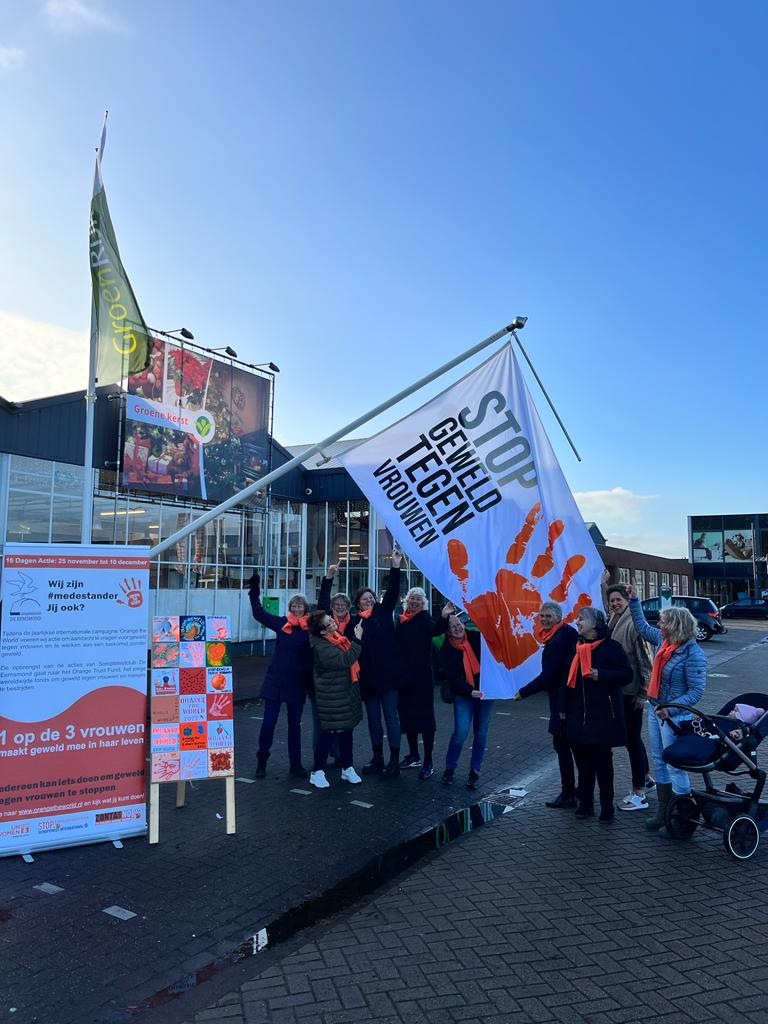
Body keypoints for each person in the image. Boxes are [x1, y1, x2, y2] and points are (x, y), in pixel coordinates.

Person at [627, 585, 707, 834]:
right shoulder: (663, 642)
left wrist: (670, 710)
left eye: (663, 622)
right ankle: (663, 811)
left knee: (675, 763)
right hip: (655, 710)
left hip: (675, 716)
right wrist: (634, 600)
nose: (659, 625)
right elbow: (642, 627)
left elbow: (696, 691)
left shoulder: (693, 654)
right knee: (660, 760)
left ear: (675, 626)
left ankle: (683, 816)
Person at [563, 607, 632, 823]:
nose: (577, 622)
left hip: (603, 715)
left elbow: (627, 675)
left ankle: (607, 807)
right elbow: (567, 681)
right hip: (579, 716)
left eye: (581, 619)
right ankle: (585, 804)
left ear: (593, 624)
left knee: (603, 765)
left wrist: (601, 674)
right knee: (583, 764)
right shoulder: (576, 647)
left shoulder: (611, 647)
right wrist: (564, 710)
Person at [514, 602, 579, 808]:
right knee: (574, 747)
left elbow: (548, 676)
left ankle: (568, 793)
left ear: (558, 617)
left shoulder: (557, 641)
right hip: (571, 697)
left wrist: (523, 692)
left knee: (562, 746)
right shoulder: (567, 632)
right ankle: (579, 791)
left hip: (562, 701)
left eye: (548, 616)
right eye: (541, 616)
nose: (544, 620)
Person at [248, 573, 312, 779]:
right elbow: (259, 614)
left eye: (300, 606)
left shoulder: (311, 629)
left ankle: (295, 764)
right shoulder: (282, 623)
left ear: (305, 608)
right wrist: (254, 592)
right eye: (294, 605)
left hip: (297, 683)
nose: (297, 609)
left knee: (294, 726)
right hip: (275, 681)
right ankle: (262, 761)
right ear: (290, 607)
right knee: (269, 723)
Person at [601, 572, 655, 811]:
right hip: (620, 691)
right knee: (632, 738)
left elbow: (646, 661)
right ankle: (646, 778)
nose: (614, 604)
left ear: (627, 601)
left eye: (618, 600)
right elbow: (605, 610)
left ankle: (638, 791)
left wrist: (643, 694)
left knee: (631, 740)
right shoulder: (614, 620)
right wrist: (604, 584)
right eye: (612, 600)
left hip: (632, 693)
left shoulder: (633, 624)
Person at [396, 589, 456, 780]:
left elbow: (436, 629)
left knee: (425, 719)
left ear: (423, 603)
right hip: (404, 678)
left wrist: (444, 615)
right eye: (412, 598)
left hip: (421, 678)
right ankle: (414, 755)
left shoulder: (424, 619)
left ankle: (428, 760)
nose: (414, 601)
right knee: (407, 717)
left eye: (418, 599)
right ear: (407, 601)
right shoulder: (401, 620)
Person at [354, 550, 404, 779]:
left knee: (391, 717)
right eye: (365, 599)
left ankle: (394, 760)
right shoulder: (355, 622)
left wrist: (395, 565)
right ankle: (377, 757)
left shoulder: (384, 611)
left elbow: (392, 591)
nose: (369, 600)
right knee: (374, 720)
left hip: (389, 676)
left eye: (371, 597)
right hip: (368, 678)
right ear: (358, 603)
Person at [307, 610, 364, 789]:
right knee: (329, 733)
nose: (333, 622)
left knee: (347, 731)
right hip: (331, 697)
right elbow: (345, 660)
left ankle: (347, 768)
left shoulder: (335, 637)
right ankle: (317, 771)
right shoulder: (322, 647)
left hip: (344, 694)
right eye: (329, 623)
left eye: (331, 620)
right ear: (323, 631)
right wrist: (358, 639)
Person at [439, 616, 494, 788]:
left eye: (459, 624)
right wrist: (470, 691)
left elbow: (494, 642)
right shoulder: (446, 649)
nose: (457, 628)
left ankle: (475, 771)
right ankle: (450, 769)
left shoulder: (476, 637)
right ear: (447, 631)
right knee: (460, 733)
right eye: (452, 626)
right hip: (464, 694)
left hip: (484, 692)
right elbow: (453, 678)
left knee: (481, 733)